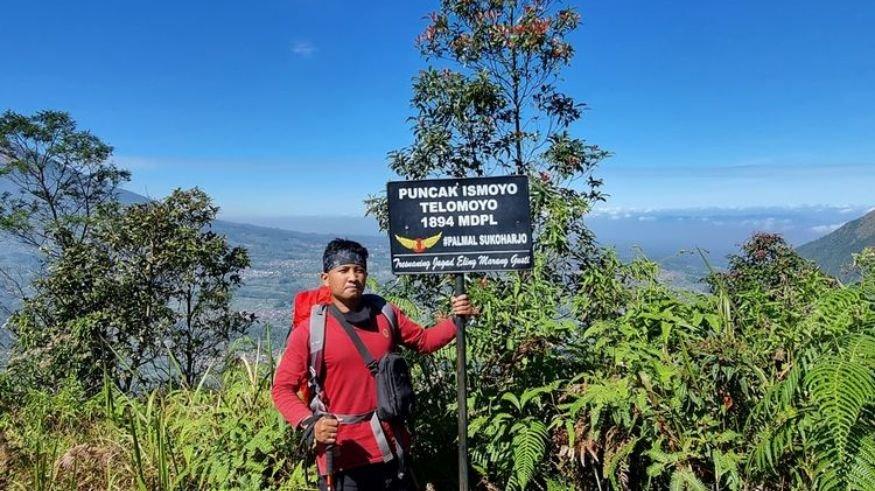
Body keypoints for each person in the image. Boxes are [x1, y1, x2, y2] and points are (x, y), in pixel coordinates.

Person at [272, 238, 474, 490]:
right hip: (343, 458)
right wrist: (311, 424)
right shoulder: (311, 330)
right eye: (343, 270)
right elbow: (282, 388)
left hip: (392, 449)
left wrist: (457, 319)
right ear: (325, 278)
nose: (353, 277)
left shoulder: (384, 314)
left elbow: (423, 341)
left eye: (359, 270)